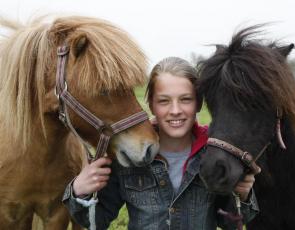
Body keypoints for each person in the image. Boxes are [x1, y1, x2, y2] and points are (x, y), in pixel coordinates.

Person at [62, 57, 259, 230]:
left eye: (185, 99)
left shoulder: (214, 156)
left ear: (198, 103)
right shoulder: (128, 156)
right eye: (164, 101)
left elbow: (231, 223)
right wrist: (79, 191)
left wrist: (242, 196)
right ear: (151, 104)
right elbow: (97, 221)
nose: (175, 110)